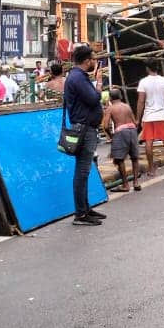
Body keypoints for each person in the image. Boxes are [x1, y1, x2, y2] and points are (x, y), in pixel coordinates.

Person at [63, 45, 106, 226]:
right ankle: (80, 213)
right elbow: (93, 99)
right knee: (82, 172)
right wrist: (98, 85)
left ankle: (85, 208)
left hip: (87, 128)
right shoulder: (78, 78)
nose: (95, 62)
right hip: (84, 129)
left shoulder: (78, 77)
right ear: (87, 60)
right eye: (93, 59)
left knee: (84, 171)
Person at [136, 63, 164, 177]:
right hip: (162, 115)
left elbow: (141, 101)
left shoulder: (143, 82)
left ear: (147, 68)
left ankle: (151, 169)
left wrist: (137, 119)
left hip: (149, 116)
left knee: (148, 142)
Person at [102, 87, 143, 192]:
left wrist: (111, 136)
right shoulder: (127, 106)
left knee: (119, 159)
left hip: (120, 131)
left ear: (110, 98)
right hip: (132, 130)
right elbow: (135, 122)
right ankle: (136, 182)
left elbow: (105, 126)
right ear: (120, 96)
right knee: (134, 158)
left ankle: (125, 185)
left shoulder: (110, 109)